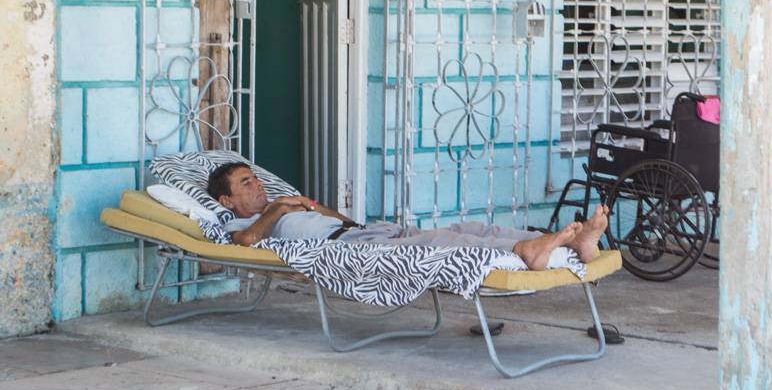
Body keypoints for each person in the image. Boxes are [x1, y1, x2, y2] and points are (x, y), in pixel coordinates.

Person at [207, 162, 608, 271]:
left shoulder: (283, 206)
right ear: (228, 200)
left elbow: (341, 220)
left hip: (360, 234)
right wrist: (278, 208)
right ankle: (527, 250)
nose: (258, 186)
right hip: (344, 249)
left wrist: (308, 204)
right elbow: (246, 245)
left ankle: (571, 240)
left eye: (257, 179)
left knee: (466, 228)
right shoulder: (238, 224)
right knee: (442, 244)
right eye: (246, 183)